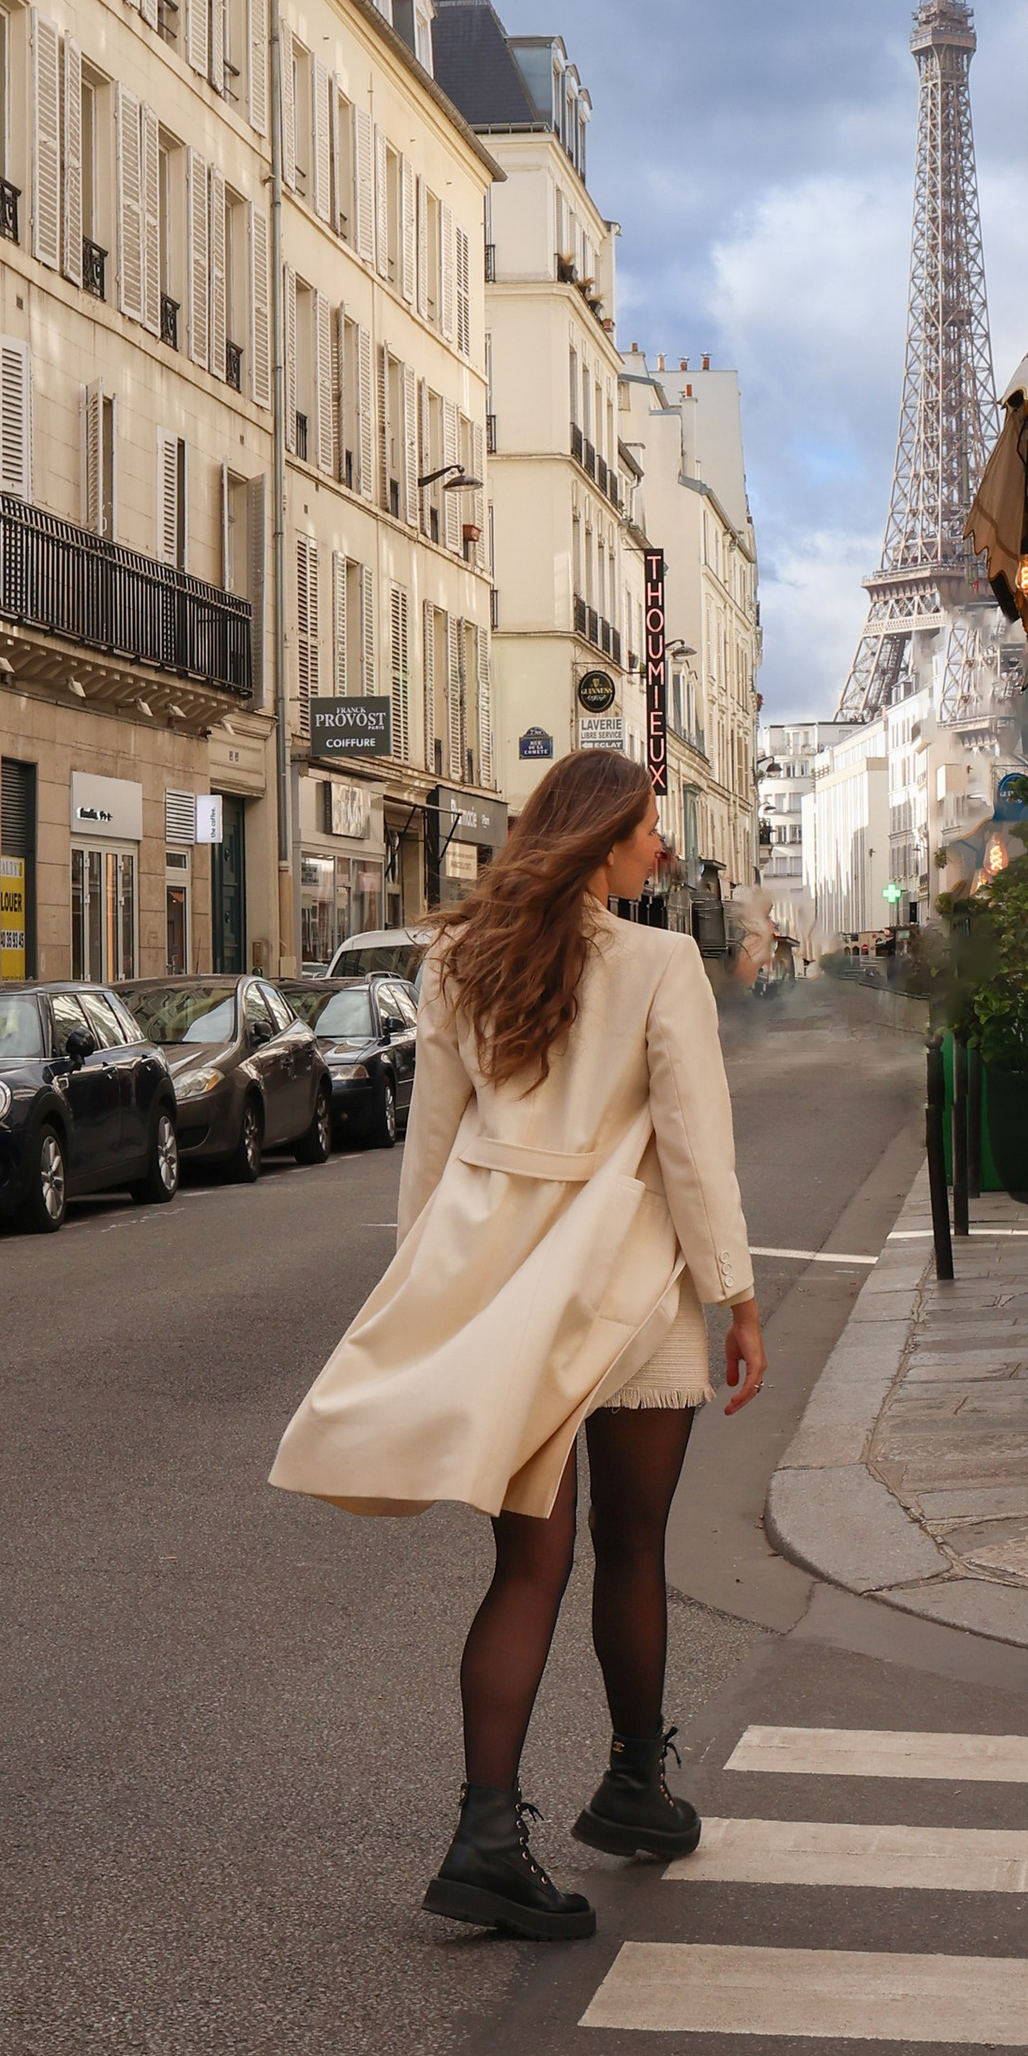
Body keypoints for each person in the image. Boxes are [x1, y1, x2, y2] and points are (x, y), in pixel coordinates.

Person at [271, 750, 766, 1944]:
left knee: (524, 1568)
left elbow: (431, 1158)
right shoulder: (657, 963)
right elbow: (693, 1149)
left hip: (505, 1299)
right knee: (634, 1546)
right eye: (650, 828)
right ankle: (633, 1785)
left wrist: (427, 1302)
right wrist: (736, 1295)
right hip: (630, 1289)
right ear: (602, 839)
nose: (662, 848)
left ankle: (486, 1831)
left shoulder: (458, 958)